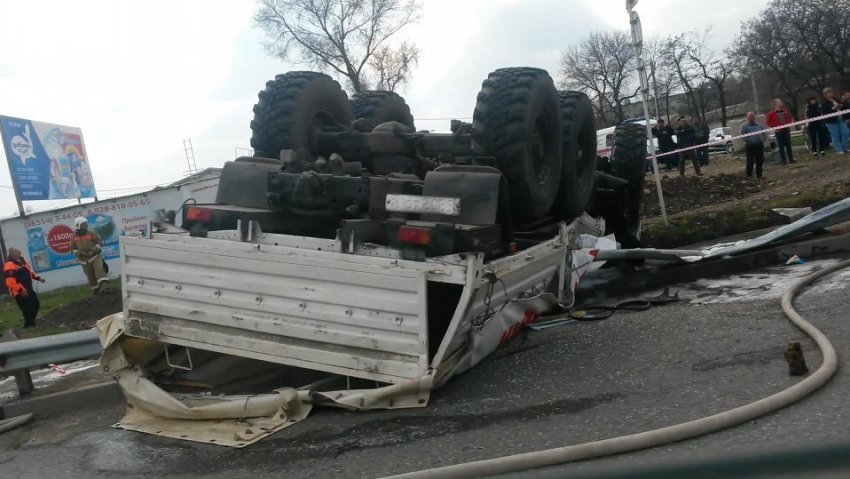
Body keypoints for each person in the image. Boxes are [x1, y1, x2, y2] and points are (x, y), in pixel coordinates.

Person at [4, 248, 45, 328]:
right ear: (12, 254)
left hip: (28, 287)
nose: (20, 252)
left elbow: (29, 271)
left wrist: (38, 278)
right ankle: (29, 324)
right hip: (20, 291)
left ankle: (29, 322)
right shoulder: (9, 264)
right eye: (17, 251)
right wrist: (21, 290)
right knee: (26, 309)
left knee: (35, 304)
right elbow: (10, 281)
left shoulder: (22, 261)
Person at [68, 217, 110, 294]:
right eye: (83, 224)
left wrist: (93, 251)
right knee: (90, 276)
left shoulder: (91, 232)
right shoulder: (74, 237)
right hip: (84, 260)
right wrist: (80, 253)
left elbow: (99, 242)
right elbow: (72, 249)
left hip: (95, 256)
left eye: (85, 224)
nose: (85, 225)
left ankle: (105, 288)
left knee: (99, 271)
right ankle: (96, 290)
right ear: (78, 226)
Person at [765, 99, 796, 164]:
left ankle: (791, 158)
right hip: (779, 131)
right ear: (776, 104)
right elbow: (768, 122)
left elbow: (789, 118)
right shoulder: (771, 113)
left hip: (786, 130)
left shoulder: (785, 111)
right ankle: (783, 160)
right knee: (781, 146)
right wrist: (776, 126)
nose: (781, 103)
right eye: (780, 102)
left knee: (788, 145)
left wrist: (787, 124)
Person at [740, 111, 768, 179]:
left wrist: (762, 139)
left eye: (753, 115)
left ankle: (759, 174)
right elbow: (742, 136)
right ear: (747, 117)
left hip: (759, 145)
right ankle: (749, 175)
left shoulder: (759, 125)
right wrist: (750, 141)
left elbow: (764, 133)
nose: (752, 117)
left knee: (760, 160)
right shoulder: (744, 126)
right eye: (750, 116)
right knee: (750, 161)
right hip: (750, 146)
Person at [821, 88, 849, 154]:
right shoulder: (824, 104)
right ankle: (838, 149)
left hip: (840, 119)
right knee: (835, 135)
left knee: (846, 132)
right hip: (831, 121)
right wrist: (833, 108)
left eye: (831, 92)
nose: (830, 94)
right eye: (828, 92)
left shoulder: (836, 99)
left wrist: (840, 105)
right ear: (825, 95)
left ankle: (844, 147)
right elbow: (825, 112)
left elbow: (843, 106)